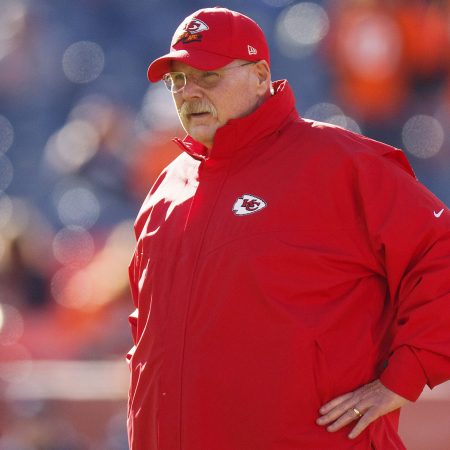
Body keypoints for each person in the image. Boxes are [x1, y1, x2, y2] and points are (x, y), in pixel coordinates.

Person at [127, 7, 450, 450]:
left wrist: (403, 378)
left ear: (260, 76)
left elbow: (440, 253)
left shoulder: (338, 164)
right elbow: (149, 336)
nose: (189, 93)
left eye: (208, 76)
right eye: (178, 80)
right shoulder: (167, 188)